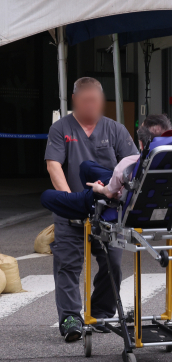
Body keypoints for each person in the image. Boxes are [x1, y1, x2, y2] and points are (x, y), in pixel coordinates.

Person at [44, 77, 139, 342]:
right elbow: (54, 165)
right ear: (75, 100)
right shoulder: (61, 128)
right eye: (85, 100)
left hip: (107, 210)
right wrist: (70, 200)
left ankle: (100, 312)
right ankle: (70, 317)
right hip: (71, 209)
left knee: (113, 263)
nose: (90, 105)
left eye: (95, 100)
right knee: (67, 265)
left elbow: (131, 164)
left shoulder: (115, 130)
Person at [41, 114, 172, 221]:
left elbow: (110, 192)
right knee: (87, 166)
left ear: (141, 143)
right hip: (141, 193)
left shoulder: (127, 164)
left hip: (114, 199)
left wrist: (99, 188)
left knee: (46, 196)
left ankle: (84, 204)